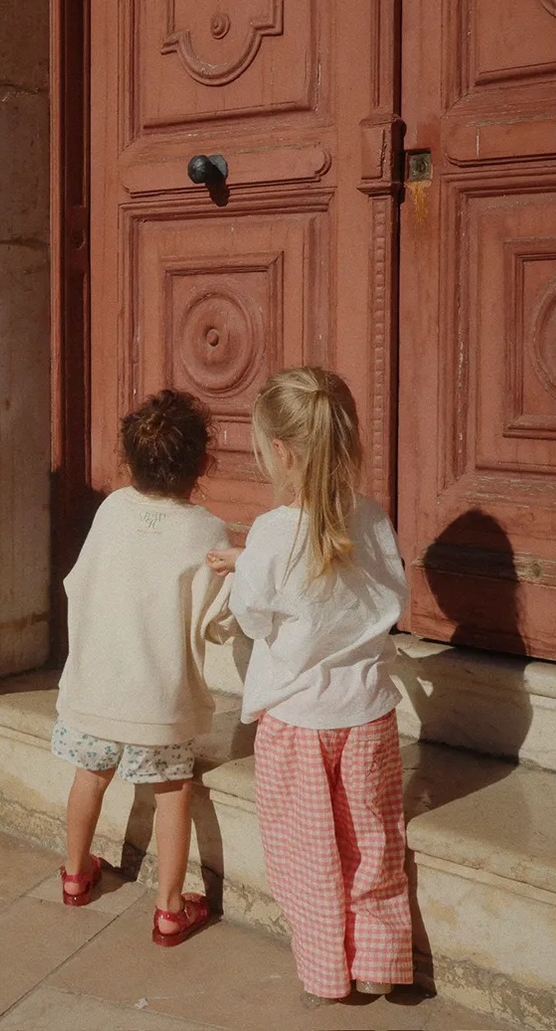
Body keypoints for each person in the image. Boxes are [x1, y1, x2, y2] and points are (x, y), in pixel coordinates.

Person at [207, 367, 413, 1004]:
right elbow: (387, 593)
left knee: (307, 855)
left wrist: (248, 568)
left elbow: (254, 616)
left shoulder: (272, 533)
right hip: (369, 714)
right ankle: (378, 960)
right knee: (373, 841)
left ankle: (327, 971)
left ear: (281, 451)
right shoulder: (372, 518)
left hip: (297, 722)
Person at [52, 389, 234, 945]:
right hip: (158, 699)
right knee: (172, 790)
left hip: (95, 687)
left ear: (128, 459)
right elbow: (218, 623)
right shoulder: (206, 530)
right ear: (203, 463)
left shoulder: (111, 510)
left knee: (90, 776)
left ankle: (76, 874)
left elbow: (79, 582)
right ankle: (170, 908)